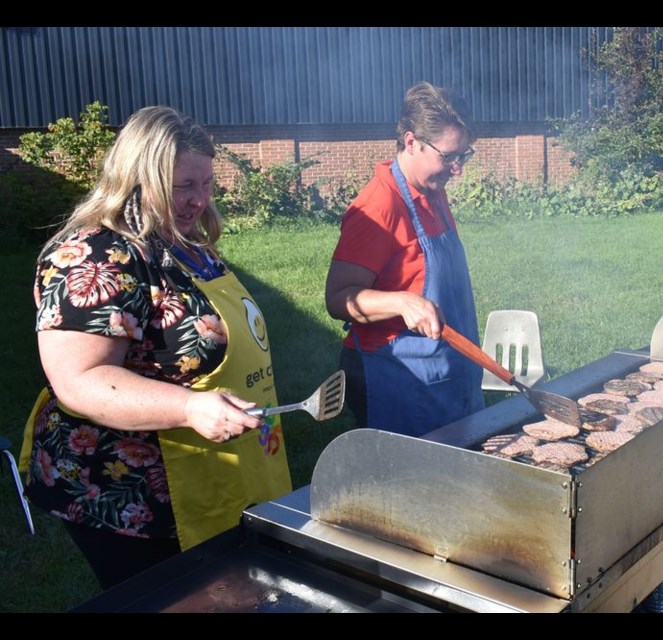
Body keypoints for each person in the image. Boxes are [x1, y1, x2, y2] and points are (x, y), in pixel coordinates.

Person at [19, 106, 292, 590]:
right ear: (137, 178)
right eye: (183, 186)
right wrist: (189, 406)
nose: (199, 200)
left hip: (214, 471)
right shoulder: (94, 256)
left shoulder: (184, 245)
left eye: (206, 183)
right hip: (129, 494)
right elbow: (79, 381)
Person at [325, 81, 484, 436]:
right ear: (411, 142)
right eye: (449, 157)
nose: (457, 169)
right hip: (397, 381)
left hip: (446, 374)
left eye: (464, 156)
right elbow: (337, 299)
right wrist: (401, 302)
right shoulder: (379, 205)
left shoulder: (432, 189)